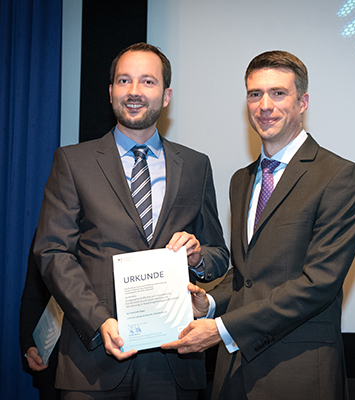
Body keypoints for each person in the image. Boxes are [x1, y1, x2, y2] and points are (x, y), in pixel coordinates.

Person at [161, 50, 355, 400]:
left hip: (299, 374)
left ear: (303, 102)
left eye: (278, 93)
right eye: (255, 94)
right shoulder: (241, 180)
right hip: (234, 376)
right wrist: (208, 304)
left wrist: (221, 328)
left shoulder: (340, 177)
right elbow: (247, 275)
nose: (264, 105)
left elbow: (318, 284)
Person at [33, 43, 228, 399]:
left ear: (166, 96)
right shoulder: (73, 162)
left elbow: (219, 254)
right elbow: (52, 252)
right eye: (124, 81)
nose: (134, 91)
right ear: (111, 92)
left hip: (174, 360)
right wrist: (97, 321)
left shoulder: (196, 165)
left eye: (148, 81)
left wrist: (199, 257)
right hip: (93, 360)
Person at [19, 232, 60, 400]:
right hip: (52, 357)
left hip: (101, 363)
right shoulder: (46, 231)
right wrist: (30, 345)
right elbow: (33, 295)